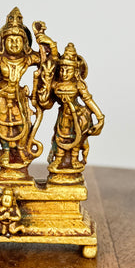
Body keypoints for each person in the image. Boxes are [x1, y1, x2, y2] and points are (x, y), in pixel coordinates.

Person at [0, 8, 42, 171]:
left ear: (25, 43)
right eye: (10, 40)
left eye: (18, 40)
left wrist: (41, 38)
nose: (14, 44)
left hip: (18, 97)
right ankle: (6, 151)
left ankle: (20, 150)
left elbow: (46, 60)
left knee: (23, 123)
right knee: (3, 125)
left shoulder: (27, 58)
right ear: (2, 42)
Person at [37, 42, 104, 175]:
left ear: (76, 71)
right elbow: (46, 102)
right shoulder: (57, 84)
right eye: (62, 70)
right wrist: (46, 81)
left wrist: (100, 117)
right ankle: (59, 159)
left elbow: (88, 100)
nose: (64, 73)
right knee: (60, 136)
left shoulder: (78, 85)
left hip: (77, 116)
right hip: (63, 116)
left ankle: (73, 159)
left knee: (76, 138)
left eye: (68, 70)